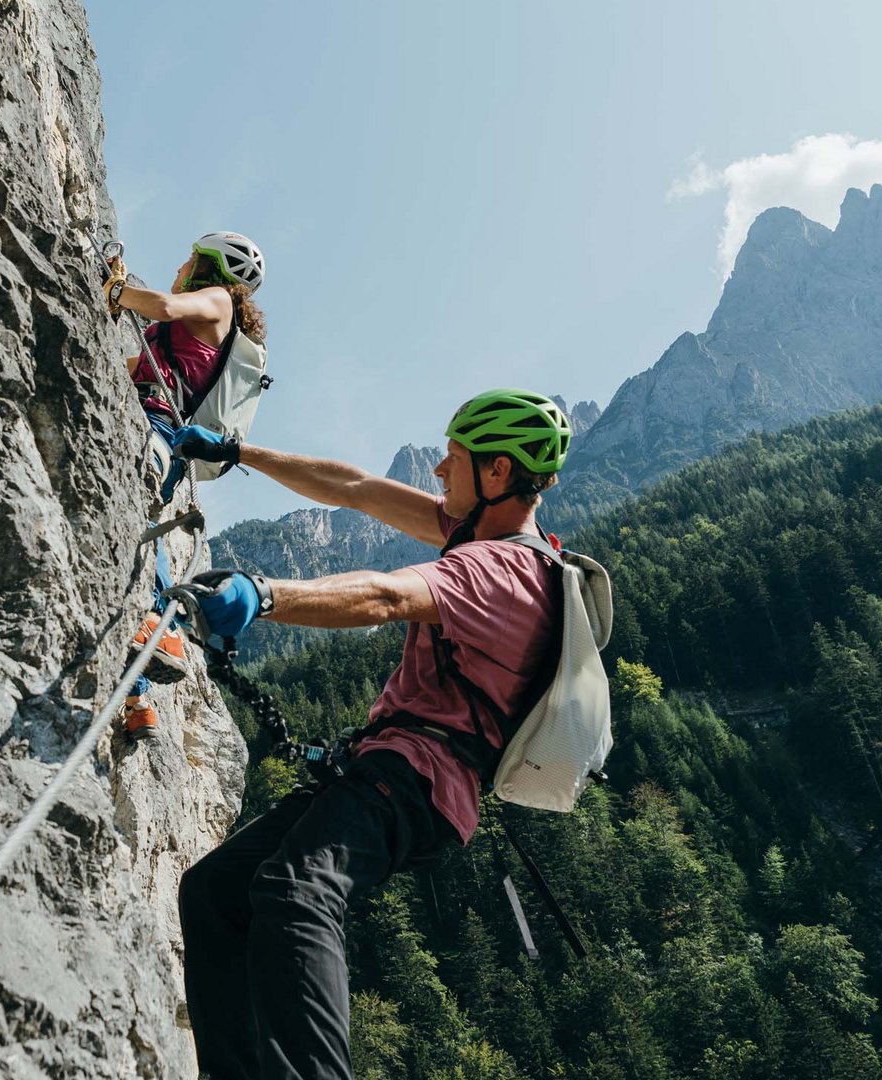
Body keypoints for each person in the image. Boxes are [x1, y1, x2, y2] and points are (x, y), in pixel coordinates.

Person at [169, 389, 574, 1080]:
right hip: (397, 771)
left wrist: (263, 595)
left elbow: (387, 597)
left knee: (298, 892)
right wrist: (239, 452)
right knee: (215, 892)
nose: (441, 473)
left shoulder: (502, 571)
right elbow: (352, 487)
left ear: (499, 472)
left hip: (418, 779)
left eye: (454, 459)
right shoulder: (476, 535)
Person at [104, 232, 268, 741]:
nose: (181, 264)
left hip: (156, 430)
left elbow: (163, 304)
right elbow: (134, 370)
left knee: (136, 521)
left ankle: (165, 632)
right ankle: (137, 701)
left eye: (191, 258)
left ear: (211, 268)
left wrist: (116, 289)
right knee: (133, 534)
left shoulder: (217, 301)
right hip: (162, 433)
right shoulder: (192, 337)